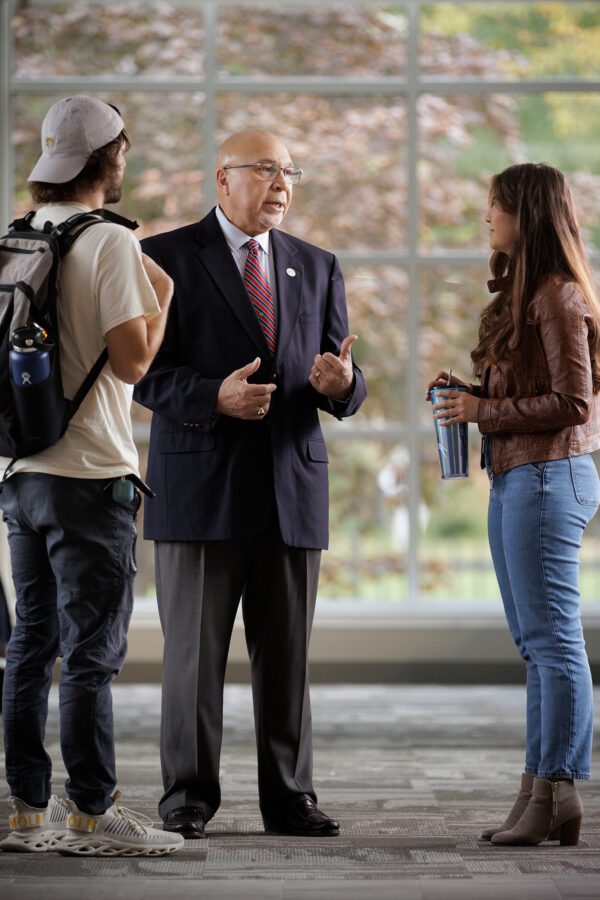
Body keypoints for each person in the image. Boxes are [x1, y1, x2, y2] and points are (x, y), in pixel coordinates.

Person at [133, 129, 367, 839]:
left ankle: (289, 798)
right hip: (200, 489)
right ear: (223, 178)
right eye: (266, 169)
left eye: (291, 172)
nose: (282, 184)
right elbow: (140, 369)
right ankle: (188, 800)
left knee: (287, 658)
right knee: (192, 661)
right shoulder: (163, 258)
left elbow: (343, 378)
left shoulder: (317, 265)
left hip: (290, 490)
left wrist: (343, 384)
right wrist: (212, 397)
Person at [0, 95, 184, 856]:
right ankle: (92, 812)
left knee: (30, 646)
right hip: (92, 477)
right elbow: (136, 362)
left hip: (21, 473)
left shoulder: (16, 233)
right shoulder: (107, 242)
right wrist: (163, 299)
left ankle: (23, 811)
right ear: (111, 159)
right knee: (91, 654)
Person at [427, 162, 600, 847]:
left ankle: (555, 787)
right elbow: (543, 387)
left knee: (554, 643)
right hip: (521, 476)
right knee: (538, 643)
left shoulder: (557, 296)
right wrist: (472, 392)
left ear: (524, 215)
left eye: (493, 206)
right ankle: (541, 789)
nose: (485, 218)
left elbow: (574, 404)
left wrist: (484, 408)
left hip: (548, 478)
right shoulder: (531, 294)